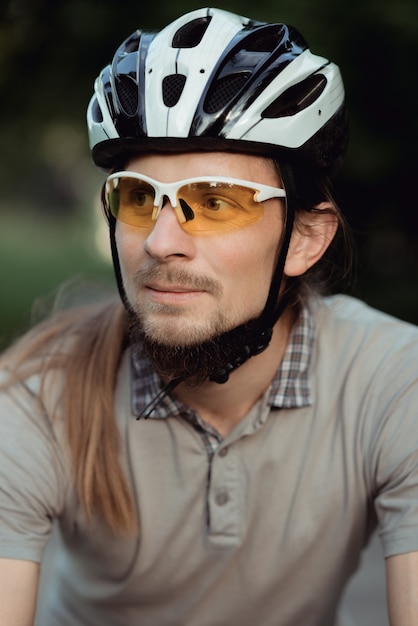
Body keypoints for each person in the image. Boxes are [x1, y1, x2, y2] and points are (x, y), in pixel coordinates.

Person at [0, 7, 417, 626]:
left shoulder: (392, 382)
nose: (161, 240)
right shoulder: (37, 394)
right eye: (139, 198)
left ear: (304, 240)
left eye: (216, 201)